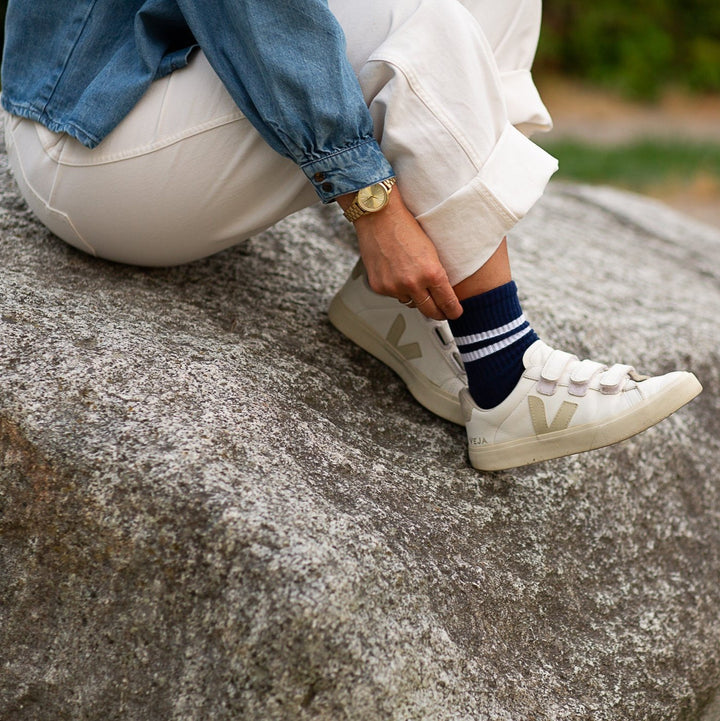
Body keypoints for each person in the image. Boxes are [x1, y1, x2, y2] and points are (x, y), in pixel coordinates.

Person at [1, 0, 702, 471]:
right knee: (422, 18)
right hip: (91, 133)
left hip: (164, 78)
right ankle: (501, 367)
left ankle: (409, 303)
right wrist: (371, 202)